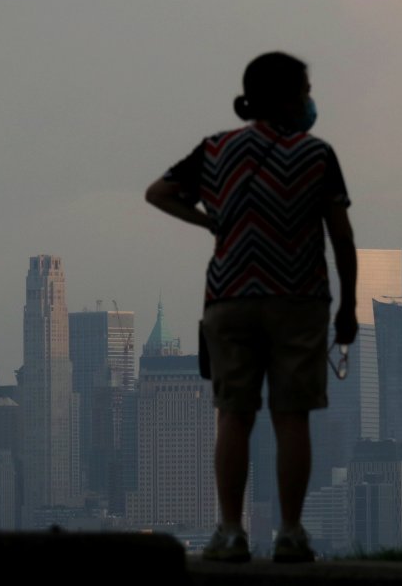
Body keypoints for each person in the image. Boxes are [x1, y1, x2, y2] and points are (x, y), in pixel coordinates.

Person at [145, 52, 357, 563]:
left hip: (230, 297)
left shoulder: (217, 149)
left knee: (233, 416)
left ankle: (230, 531)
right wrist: (349, 306)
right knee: (292, 417)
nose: (310, 101)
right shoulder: (317, 155)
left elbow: (159, 193)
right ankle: (290, 532)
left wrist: (210, 224)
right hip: (298, 299)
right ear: (288, 99)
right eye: (305, 91)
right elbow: (342, 237)